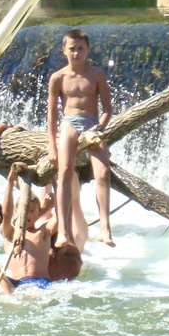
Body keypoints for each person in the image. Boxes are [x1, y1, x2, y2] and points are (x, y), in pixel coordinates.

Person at [47, 28, 114, 248]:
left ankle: (104, 227)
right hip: (69, 123)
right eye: (72, 49)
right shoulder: (58, 77)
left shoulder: (96, 74)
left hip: (92, 123)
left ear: (88, 50)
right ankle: (63, 232)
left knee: (103, 173)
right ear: (64, 50)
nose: (76, 53)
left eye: (80, 49)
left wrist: (99, 130)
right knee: (64, 172)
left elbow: (107, 109)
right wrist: (52, 146)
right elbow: (52, 115)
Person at [0, 163, 82, 294]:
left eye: (33, 211)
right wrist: (10, 180)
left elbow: (61, 213)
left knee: (32, 293)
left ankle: (10, 295)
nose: (28, 214)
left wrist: (54, 182)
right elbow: (6, 214)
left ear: (38, 212)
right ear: (17, 210)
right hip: (15, 281)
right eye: (25, 210)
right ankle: (5, 292)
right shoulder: (10, 233)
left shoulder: (44, 232)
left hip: (38, 282)